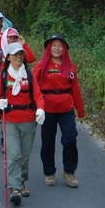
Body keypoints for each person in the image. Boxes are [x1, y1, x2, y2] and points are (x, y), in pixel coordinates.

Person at [0, 42, 45, 206]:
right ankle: (14, 188)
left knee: (25, 154)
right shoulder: (3, 76)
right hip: (10, 120)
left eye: (21, 54)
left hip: (29, 120)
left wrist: (41, 109)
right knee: (14, 154)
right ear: (8, 57)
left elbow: (38, 95)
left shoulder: (29, 75)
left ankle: (22, 180)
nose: (19, 57)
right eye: (15, 54)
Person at [33, 34, 85, 188]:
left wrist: (80, 110)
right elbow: (34, 87)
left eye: (60, 45)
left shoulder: (70, 67)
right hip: (47, 108)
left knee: (70, 138)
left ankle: (69, 171)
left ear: (65, 49)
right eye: (53, 45)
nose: (57, 48)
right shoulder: (41, 65)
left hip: (66, 108)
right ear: (49, 48)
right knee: (48, 140)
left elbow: (75, 89)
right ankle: (49, 172)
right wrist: (34, 107)